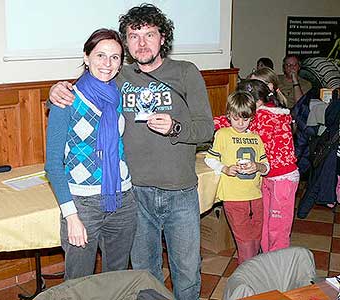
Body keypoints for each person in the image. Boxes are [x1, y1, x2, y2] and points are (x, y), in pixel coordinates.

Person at [48, 4, 214, 300]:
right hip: (135, 194)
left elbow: (206, 130)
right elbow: (86, 84)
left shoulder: (186, 72)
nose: (142, 43)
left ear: (163, 38)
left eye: (149, 35)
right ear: (126, 42)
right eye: (134, 36)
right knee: (142, 275)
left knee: (187, 272)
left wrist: (175, 127)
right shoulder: (117, 76)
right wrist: (56, 89)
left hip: (180, 191)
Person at [45, 29, 137, 280]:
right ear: (86, 57)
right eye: (100, 55)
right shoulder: (66, 99)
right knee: (78, 283)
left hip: (122, 199)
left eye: (115, 57)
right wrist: (71, 216)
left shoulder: (118, 96)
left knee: (115, 279)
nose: (107, 64)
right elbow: (52, 164)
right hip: (82, 205)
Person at [215, 79, 299, 253]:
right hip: (267, 176)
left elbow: (225, 123)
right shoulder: (264, 114)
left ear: (256, 102)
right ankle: (265, 263)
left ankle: (277, 266)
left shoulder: (268, 116)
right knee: (267, 224)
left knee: (278, 227)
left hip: (283, 178)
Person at [205, 91, 269, 264]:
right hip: (234, 197)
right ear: (228, 116)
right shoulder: (222, 135)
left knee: (256, 239)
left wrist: (257, 166)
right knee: (245, 242)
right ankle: (246, 277)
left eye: (245, 119)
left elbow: (266, 167)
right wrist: (224, 169)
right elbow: (209, 159)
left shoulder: (256, 138)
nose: (240, 123)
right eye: (236, 118)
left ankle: (252, 270)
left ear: (252, 118)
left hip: (256, 196)